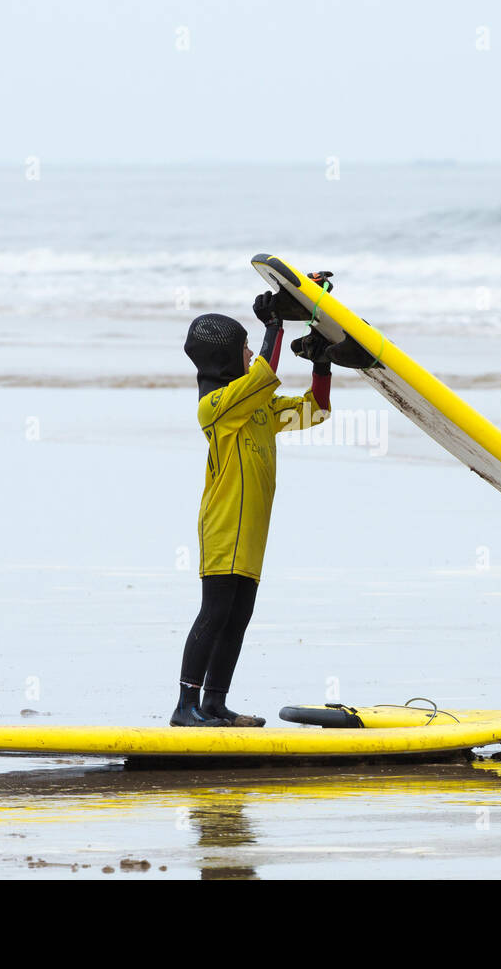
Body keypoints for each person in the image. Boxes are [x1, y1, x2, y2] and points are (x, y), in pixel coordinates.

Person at [173, 277, 334, 727]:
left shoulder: (258, 406)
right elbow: (263, 373)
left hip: (253, 532)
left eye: (252, 348)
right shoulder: (216, 406)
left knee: (238, 616)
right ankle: (184, 706)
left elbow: (314, 410)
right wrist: (274, 327)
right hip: (224, 527)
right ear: (226, 358)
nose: (250, 355)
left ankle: (214, 704)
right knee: (216, 611)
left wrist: (322, 364)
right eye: (245, 348)